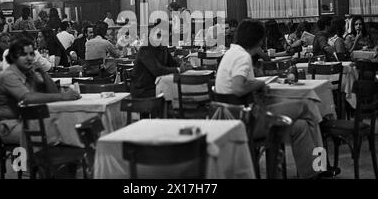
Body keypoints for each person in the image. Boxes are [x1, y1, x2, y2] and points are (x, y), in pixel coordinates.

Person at [215, 20, 326, 179]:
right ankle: (321, 164)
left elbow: (237, 84)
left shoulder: (231, 53)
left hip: (234, 119)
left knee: (300, 126)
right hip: (248, 121)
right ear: (259, 40)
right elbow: (238, 88)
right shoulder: (243, 57)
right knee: (308, 107)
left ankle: (312, 172)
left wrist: (255, 84)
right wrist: (258, 84)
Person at [0, 38, 80, 144]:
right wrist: (63, 96)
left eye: (31, 54)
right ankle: (31, 160)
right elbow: (27, 97)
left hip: (30, 120)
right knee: (64, 134)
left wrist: (43, 72)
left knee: (71, 127)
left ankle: (52, 159)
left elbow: (53, 93)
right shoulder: (8, 75)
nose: (29, 58)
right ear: (13, 57)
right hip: (11, 126)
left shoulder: (28, 72)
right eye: (24, 54)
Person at [130, 31, 190, 98]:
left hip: (158, 85)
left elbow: (172, 63)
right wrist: (179, 69)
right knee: (177, 91)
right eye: (158, 35)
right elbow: (157, 71)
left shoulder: (163, 47)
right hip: (144, 90)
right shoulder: (145, 48)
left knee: (180, 89)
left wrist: (183, 65)